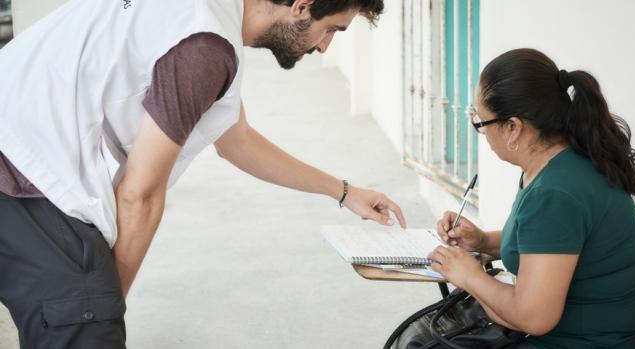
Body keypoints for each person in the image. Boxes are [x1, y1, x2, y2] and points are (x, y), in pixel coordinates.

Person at [0, 0, 405, 347]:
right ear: (302, 6)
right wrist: (102, 306)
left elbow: (236, 141)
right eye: (330, 30)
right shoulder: (205, 46)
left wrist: (343, 191)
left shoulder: (207, 17)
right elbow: (139, 195)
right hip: (31, 180)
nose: (323, 47)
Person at [427, 48, 635, 349]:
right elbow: (552, 243)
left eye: (481, 124)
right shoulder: (562, 162)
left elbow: (533, 317)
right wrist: (481, 242)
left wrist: (469, 276)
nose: (482, 134)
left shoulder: (555, 193)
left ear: (514, 127)